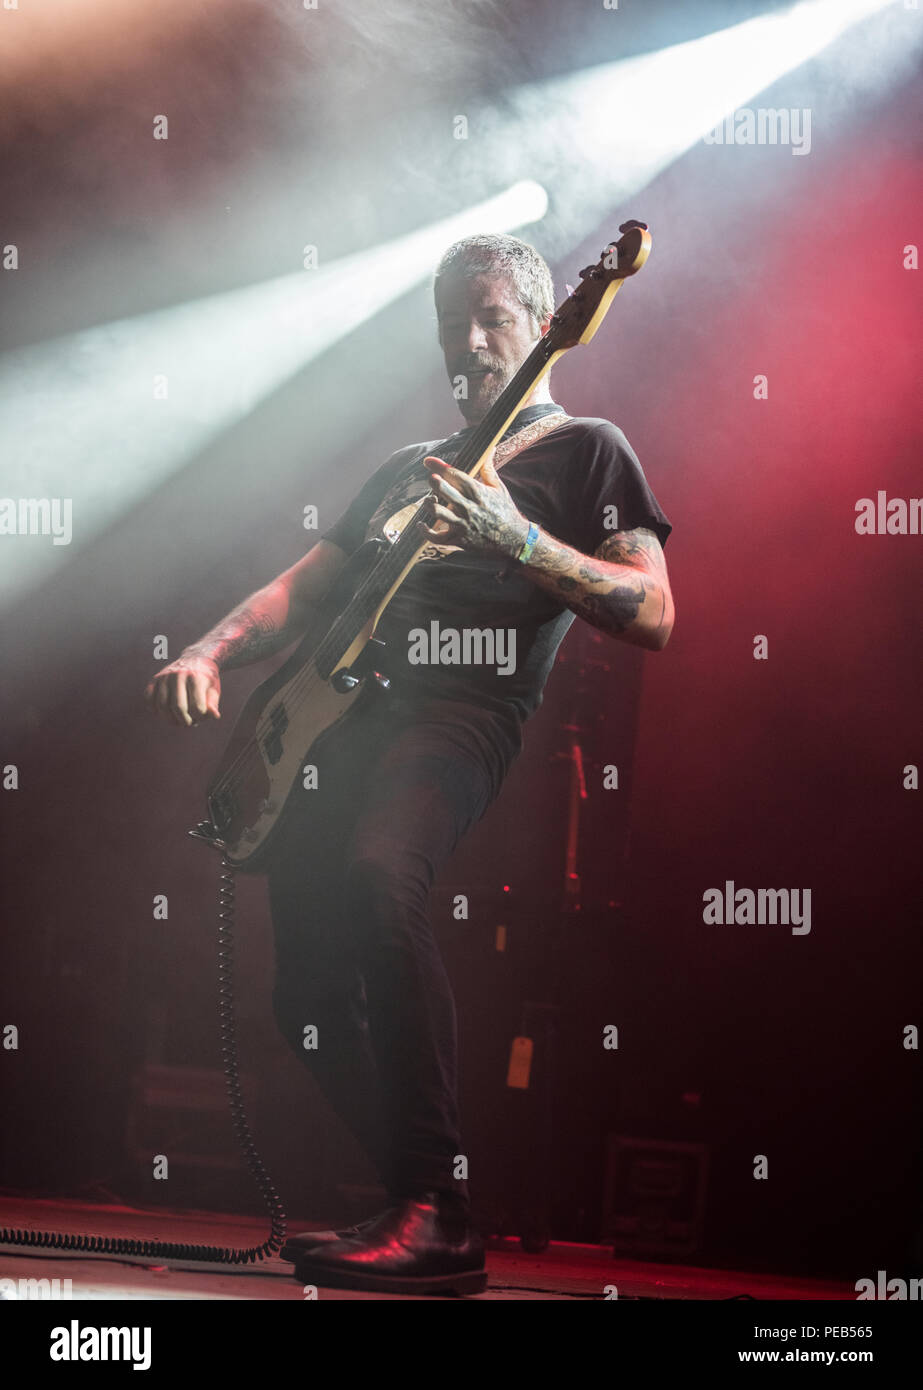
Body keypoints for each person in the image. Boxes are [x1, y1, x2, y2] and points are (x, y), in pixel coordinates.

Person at [145, 233, 674, 1296]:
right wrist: (203, 645)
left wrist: (516, 538)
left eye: (489, 317)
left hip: (458, 712)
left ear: (544, 327)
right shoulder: (407, 468)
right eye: (450, 324)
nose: (468, 343)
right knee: (299, 992)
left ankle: (439, 1204)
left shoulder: (588, 452)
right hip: (335, 724)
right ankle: (415, 1197)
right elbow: (304, 586)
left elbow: (654, 611)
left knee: (380, 883)